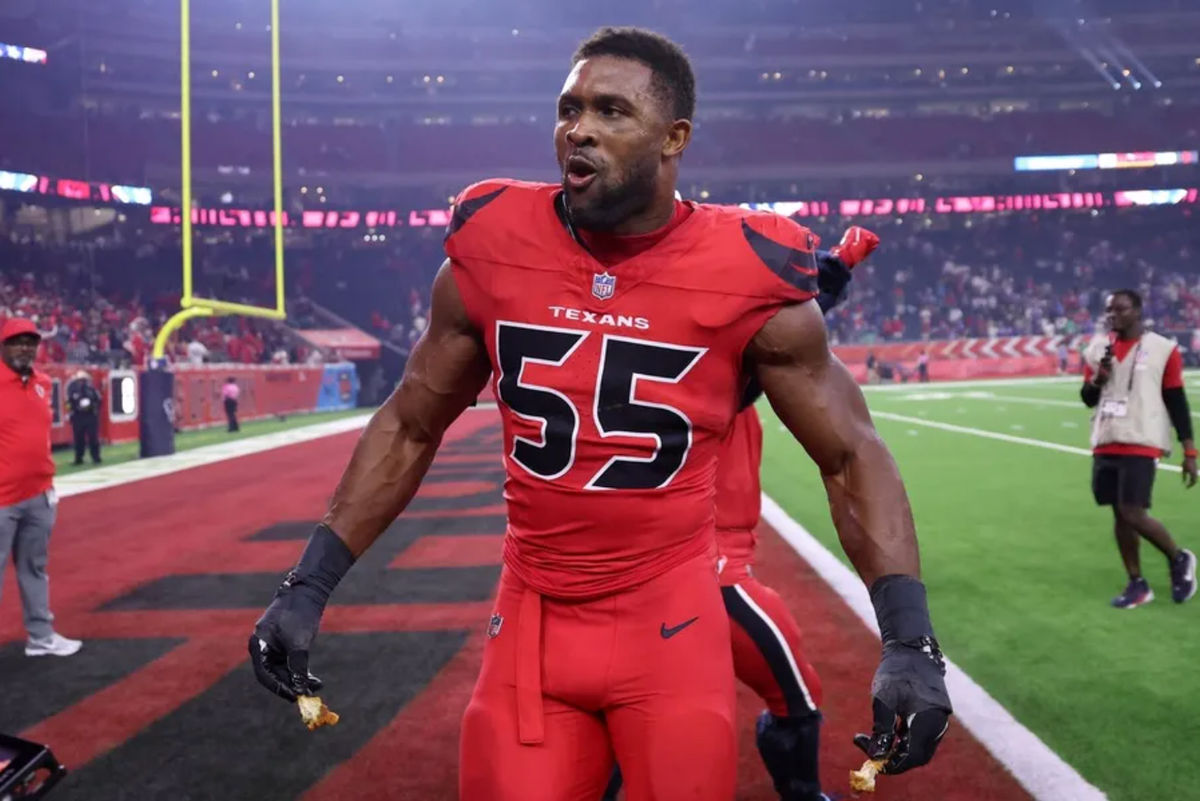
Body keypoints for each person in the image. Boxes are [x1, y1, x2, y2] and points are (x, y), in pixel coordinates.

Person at [249, 28, 949, 801]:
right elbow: (412, 420)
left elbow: (850, 452)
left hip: (673, 628)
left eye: (611, 110)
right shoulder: (492, 240)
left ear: (673, 138)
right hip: (531, 626)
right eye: (568, 107)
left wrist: (909, 638)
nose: (577, 128)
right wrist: (307, 584)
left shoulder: (747, 264)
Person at [602, 226, 880, 801]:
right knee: (796, 696)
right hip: (706, 568)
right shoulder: (704, 366)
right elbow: (761, 346)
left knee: (625, 713)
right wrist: (828, 277)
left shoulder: (640, 351)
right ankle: (801, 794)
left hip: (642, 565)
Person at [1081, 290, 1197, 608]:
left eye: (1120, 309)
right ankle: (1137, 583)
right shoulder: (1097, 349)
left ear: (1137, 311)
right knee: (1119, 514)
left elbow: (1176, 400)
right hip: (1107, 437)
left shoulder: (1162, 349)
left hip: (1142, 440)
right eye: (1109, 311)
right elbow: (1087, 397)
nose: (1113, 315)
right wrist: (1098, 380)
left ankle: (1178, 558)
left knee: (1133, 512)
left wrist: (1189, 450)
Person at [0, 317, 82, 657]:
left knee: (35, 568)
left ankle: (40, 636)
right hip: (1, 498)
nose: (25, 347)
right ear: (3, 345)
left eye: (30, 342)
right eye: (17, 341)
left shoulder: (43, 384)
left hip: (39, 493)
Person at [66, 370, 102, 465]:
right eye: (80, 380)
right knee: (78, 439)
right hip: (78, 417)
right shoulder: (73, 391)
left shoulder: (92, 390)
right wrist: (72, 410)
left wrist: (93, 408)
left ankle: (96, 457)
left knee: (93, 438)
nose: (81, 382)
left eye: (83, 380)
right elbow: (68, 403)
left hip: (90, 416)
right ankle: (78, 458)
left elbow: (98, 401)